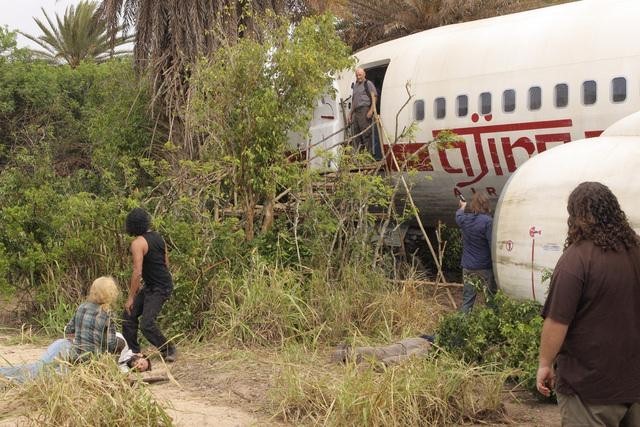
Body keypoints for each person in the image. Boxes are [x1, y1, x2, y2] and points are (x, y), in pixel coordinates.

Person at [536, 182, 640, 425]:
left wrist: (545, 364)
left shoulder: (576, 259)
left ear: (578, 216)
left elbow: (557, 322)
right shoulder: (637, 250)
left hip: (590, 389)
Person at [0, 276, 131, 382]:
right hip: (91, 362)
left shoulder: (82, 307)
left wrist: (82, 334)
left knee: (38, 369)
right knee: (40, 373)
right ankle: (7, 377)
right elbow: (110, 344)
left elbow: (68, 330)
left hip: (75, 354)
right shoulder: (108, 315)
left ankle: (4, 372)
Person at [122, 208, 176, 362]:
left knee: (146, 323)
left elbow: (137, 272)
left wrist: (131, 297)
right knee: (128, 315)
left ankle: (169, 349)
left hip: (159, 287)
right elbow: (166, 262)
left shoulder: (137, 243)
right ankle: (133, 352)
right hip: (154, 285)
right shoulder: (159, 237)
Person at [455, 191, 496, 313]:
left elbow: (458, 216)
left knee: (467, 300)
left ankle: (462, 327)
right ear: (486, 204)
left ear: (473, 205)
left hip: (468, 266)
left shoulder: (465, 220)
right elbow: (491, 244)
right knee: (490, 300)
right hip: (484, 267)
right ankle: (490, 326)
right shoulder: (488, 222)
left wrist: (462, 206)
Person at [348, 67, 378, 154]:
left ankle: (368, 156)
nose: (358, 77)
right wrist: (350, 114)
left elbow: (374, 97)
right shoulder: (356, 86)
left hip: (364, 110)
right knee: (356, 134)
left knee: (366, 134)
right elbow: (354, 101)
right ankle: (359, 157)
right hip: (356, 112)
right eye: (357, 75)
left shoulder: (368, 84)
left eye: (360, 75)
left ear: (364, 74)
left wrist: (371, 110)